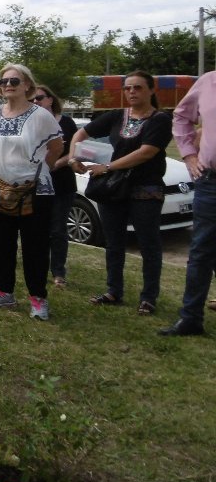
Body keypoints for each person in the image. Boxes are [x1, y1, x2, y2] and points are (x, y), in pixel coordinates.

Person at [70, 70, 172, 315]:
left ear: (150, 90)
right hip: (113, 188)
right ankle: (113, 290)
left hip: (145, 188)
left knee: (148, 244)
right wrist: (75, 155)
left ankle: (148, 297)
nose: (132, 92)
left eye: (137, 87)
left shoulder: (160, 119)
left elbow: (146, 152)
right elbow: (81, 133)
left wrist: (107, 166)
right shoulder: (116, 115)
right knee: (114, 242)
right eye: (127, 88)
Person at [0, 64, 62, 320]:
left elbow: (56, 147)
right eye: (4, 82)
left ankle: (37, 298)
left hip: (35, 191)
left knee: (35, 246)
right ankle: (3, 291)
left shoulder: (40, 115)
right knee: (0, 243)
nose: (8, 85)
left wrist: (38, 172)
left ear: (27, 85)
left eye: (15, 81)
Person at [160, 71, 216, 336]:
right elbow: (181, 117)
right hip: (211, 182)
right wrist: (190, 156)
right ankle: (191, 318)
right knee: (201, 251)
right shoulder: (209, 81)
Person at [33, 85, 78, 287]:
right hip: (38, 184)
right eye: (32, 100)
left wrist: (58, 163)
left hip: (62, 184)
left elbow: (76, 151)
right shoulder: (32, 123)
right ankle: (38, 266)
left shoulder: (67, 123)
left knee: (58, 230)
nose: (36, 102)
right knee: (38, 229)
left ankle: (58, 272)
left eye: (40, 98)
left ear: (50, 100)